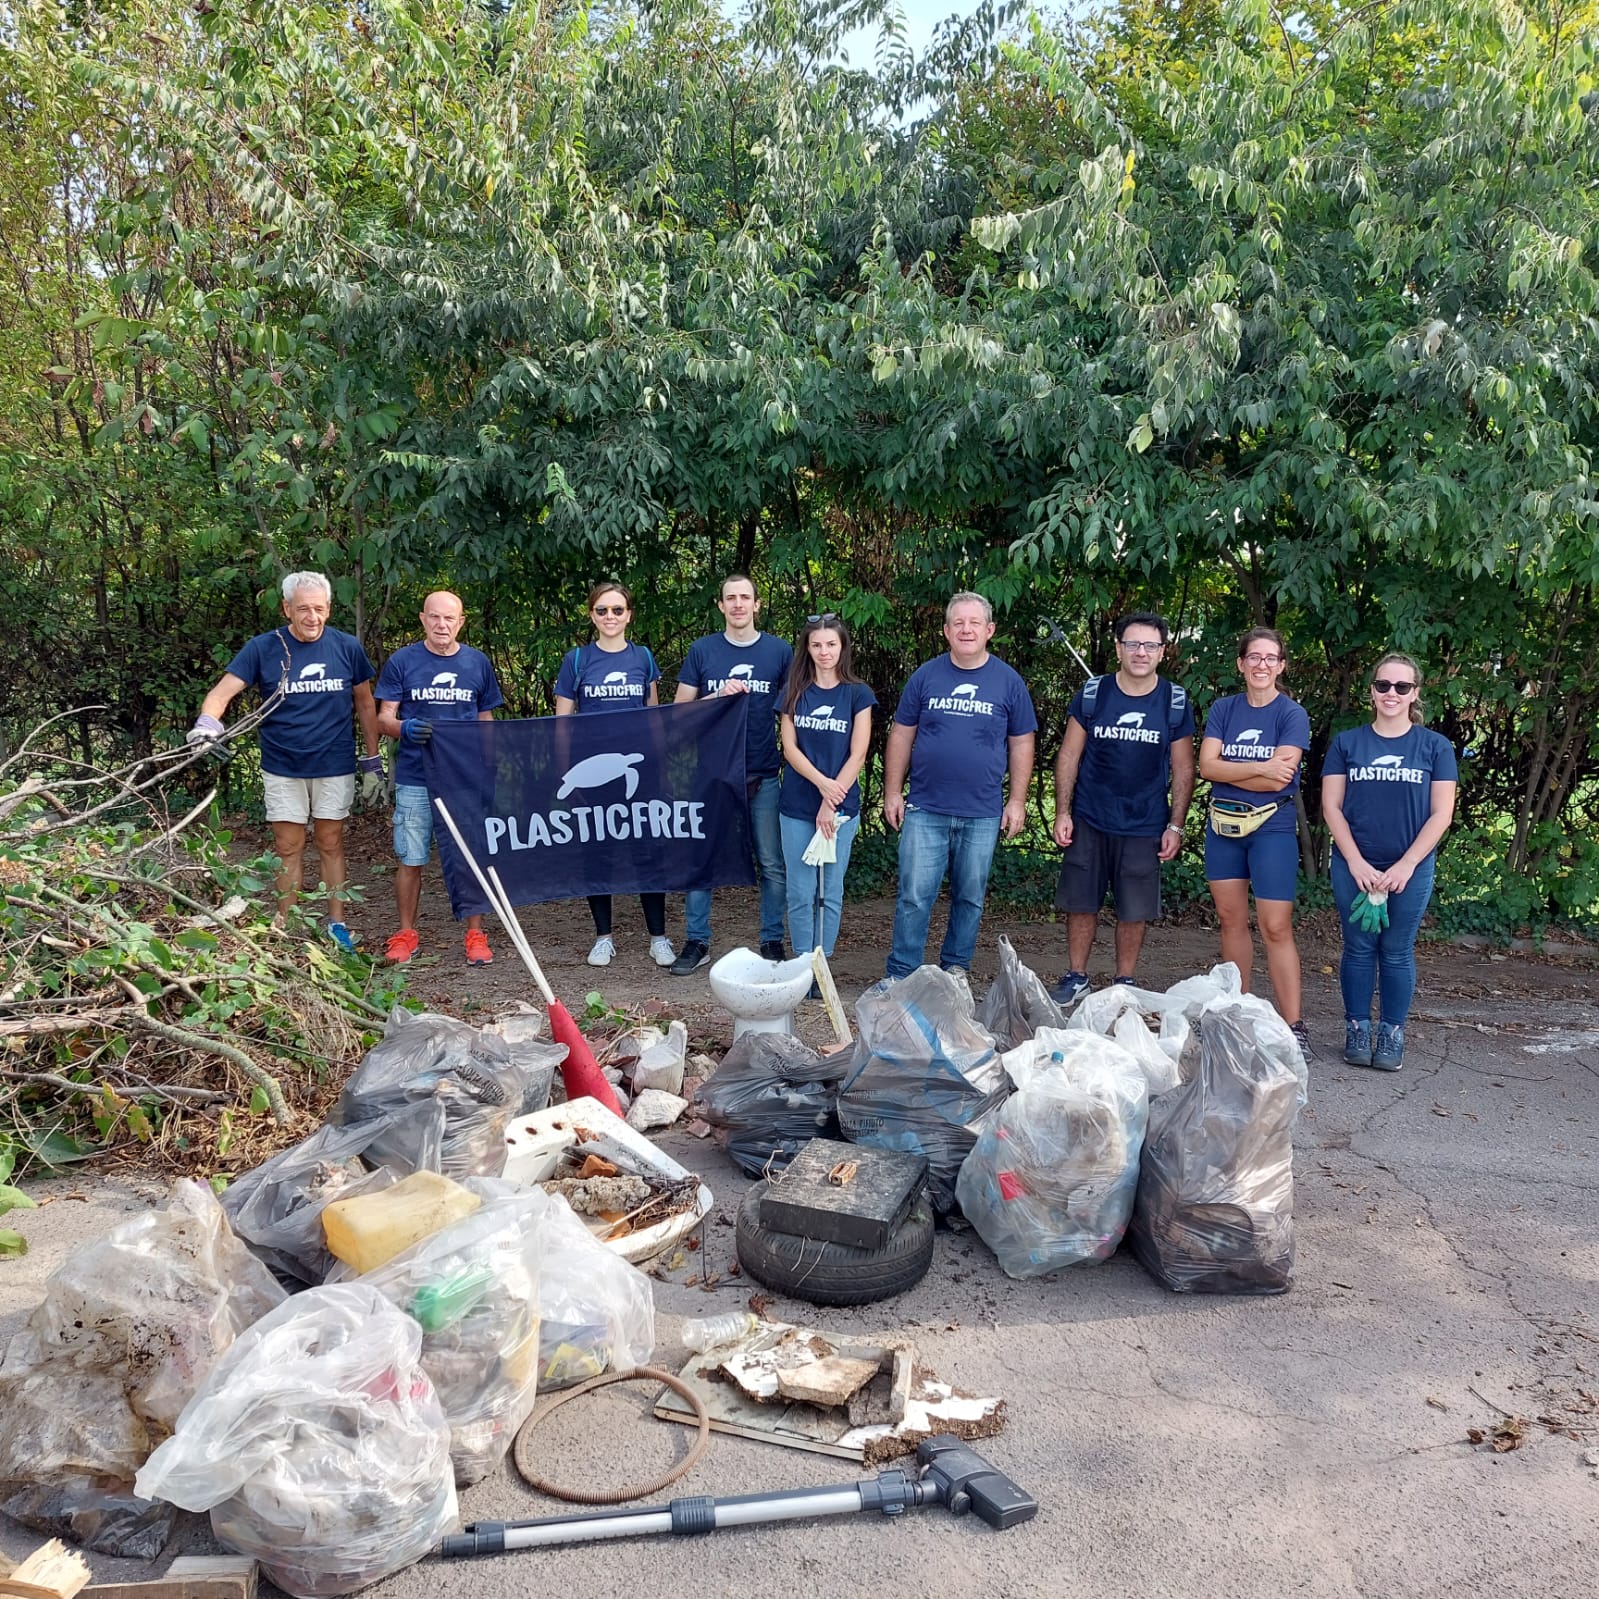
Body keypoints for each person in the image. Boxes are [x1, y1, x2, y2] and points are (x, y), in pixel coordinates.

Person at [188, 572, 380, 950]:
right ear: (286, 608)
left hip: (334, 763)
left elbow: (365, 703)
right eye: (304, 609)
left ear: (329, 609)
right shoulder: (264, 648)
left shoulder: (346, 647)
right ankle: (286, 928)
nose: (312, 617)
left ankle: (336, 925)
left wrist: (372, 761)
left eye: (320, 609)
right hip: (282, 764)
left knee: (330, 842)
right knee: (288, 846)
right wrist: (207, 725)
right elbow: (221, 693)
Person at [883, 592, 1036, 979]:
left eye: (974, 623)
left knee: (969, 898)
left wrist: (1017, 800)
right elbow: (901, 734)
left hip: (982, 812)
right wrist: (892, 791)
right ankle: (902, 975)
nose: (966, 629)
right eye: (958, 623)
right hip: (926, 808)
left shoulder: (1008, 681)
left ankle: (955, 971)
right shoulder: (926, 676)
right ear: (946, 631)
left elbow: (1021, 742)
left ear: (989, 630)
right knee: (914, 898)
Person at [1321, 652, 1457, 1072]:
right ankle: (1358, 1028)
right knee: (1359, 948)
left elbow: (1442, 814)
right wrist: (1356, 862)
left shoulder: (1435, 746)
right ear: (1372, 691)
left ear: (1415, 693)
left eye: (1402, 687)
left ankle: (1392, 1033)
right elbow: (1331, 806)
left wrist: (1406, 865)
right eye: (1383, 685)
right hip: (1354, 864)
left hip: (1410, 867)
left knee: (1397, 951)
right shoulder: (1347, 743)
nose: (1391, 694)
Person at [1049, 611, 1195, 1002]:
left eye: (1150, 645)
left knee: (1134, 907)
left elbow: (1183, 768)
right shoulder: (1094, 694)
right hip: (1090, 818)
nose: (1141, 652)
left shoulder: (1174, 701)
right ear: (1118, 648)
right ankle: (1076, 976)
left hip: (1145, 822)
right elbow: (1068, 755)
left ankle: (1124, 982)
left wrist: (1175, 825)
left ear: (1162, 652)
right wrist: (1063, 812)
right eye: (1133, 644)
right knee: (1081, 900)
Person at [1198, 627, 1313, 1059]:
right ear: (1240, 664)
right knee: (1230, 921)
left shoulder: (1291, 714)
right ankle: (1236, 1014)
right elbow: (1207, 767)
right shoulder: (1224, 709)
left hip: (1272, 827)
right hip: (1224, 827)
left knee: (1275, 926)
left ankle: (1293, 1024)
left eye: (1271, 658)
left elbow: (1284, 775)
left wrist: (1235, 766)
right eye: (1254, 657)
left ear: (1281, 665)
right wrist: (1260, 767)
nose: (1261, 665)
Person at [670, 573, 793, 972]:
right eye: (730, 598)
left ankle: (772, 940)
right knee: (702, 858)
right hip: (712, 773)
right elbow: (679, 714)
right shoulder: (703, 650)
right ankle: (697, 941)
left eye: (745, 597)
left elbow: (793, 712)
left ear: (757, 604)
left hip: (764, 772)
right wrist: (715, 697)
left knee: (772, 863)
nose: (738, 604)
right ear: (721, 606)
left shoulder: (780, 651)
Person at [375, 590, 505, 967]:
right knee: (410, 856)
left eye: (449, 618)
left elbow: (486, 721)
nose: (442, 625)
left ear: (461, 621)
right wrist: (404, 728)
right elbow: (384, 718)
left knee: (471, 855)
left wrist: (490, 767)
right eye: (434, 617)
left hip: (464, 777)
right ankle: (405, 934)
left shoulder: (477, 663)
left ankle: (475, 933)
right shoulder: (403, 661)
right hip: (416, 775)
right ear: (423, 619)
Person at [553, 581, 676, 970]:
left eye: (617, 610)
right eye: (602, 610)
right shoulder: (577, 660)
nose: (610, 617)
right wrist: (564, 775)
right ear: (592, 615)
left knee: (648, 850)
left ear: (629, 615)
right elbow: (560, 723)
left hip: (637, 771)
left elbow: (654, 716)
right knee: (597, 852)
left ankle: (658, 937)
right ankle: (603, 937)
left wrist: (660, 767)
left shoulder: (643, 657)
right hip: (589, 773)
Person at [778, 613, 876, 960]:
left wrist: (831, 802)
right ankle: (804, 962)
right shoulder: (793, 692)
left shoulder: (858, 694)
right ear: (807, 648)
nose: (824, 652)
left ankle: (824, 964)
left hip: (840, 810)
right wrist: (822, 785)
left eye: (831, 644)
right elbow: (790, 748)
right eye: (816, 645)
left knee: (829, 891)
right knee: (800, 891)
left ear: (842, 647)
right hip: (796, 806)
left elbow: (859, 752)